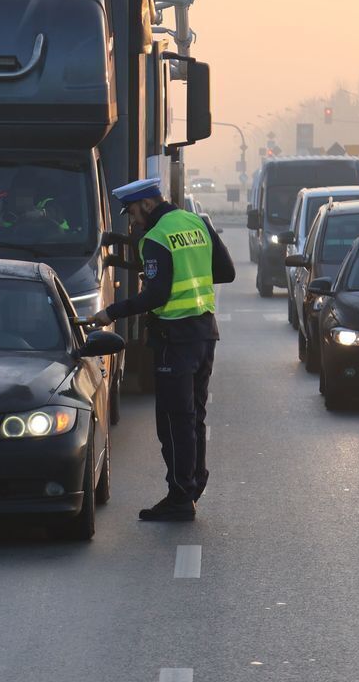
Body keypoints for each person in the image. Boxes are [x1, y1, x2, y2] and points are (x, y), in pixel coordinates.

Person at [87, 179, 235, 522]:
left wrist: (111, 312)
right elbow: (225, 272)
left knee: (172, 421)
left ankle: (179, 496)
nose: (133, 220)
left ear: (148, 205)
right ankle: (193, 484)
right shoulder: (196, 223)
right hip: (204, 334)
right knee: (193, 416)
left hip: (174, 340)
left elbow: (156, 296)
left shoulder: (156, 237)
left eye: (133, 212)